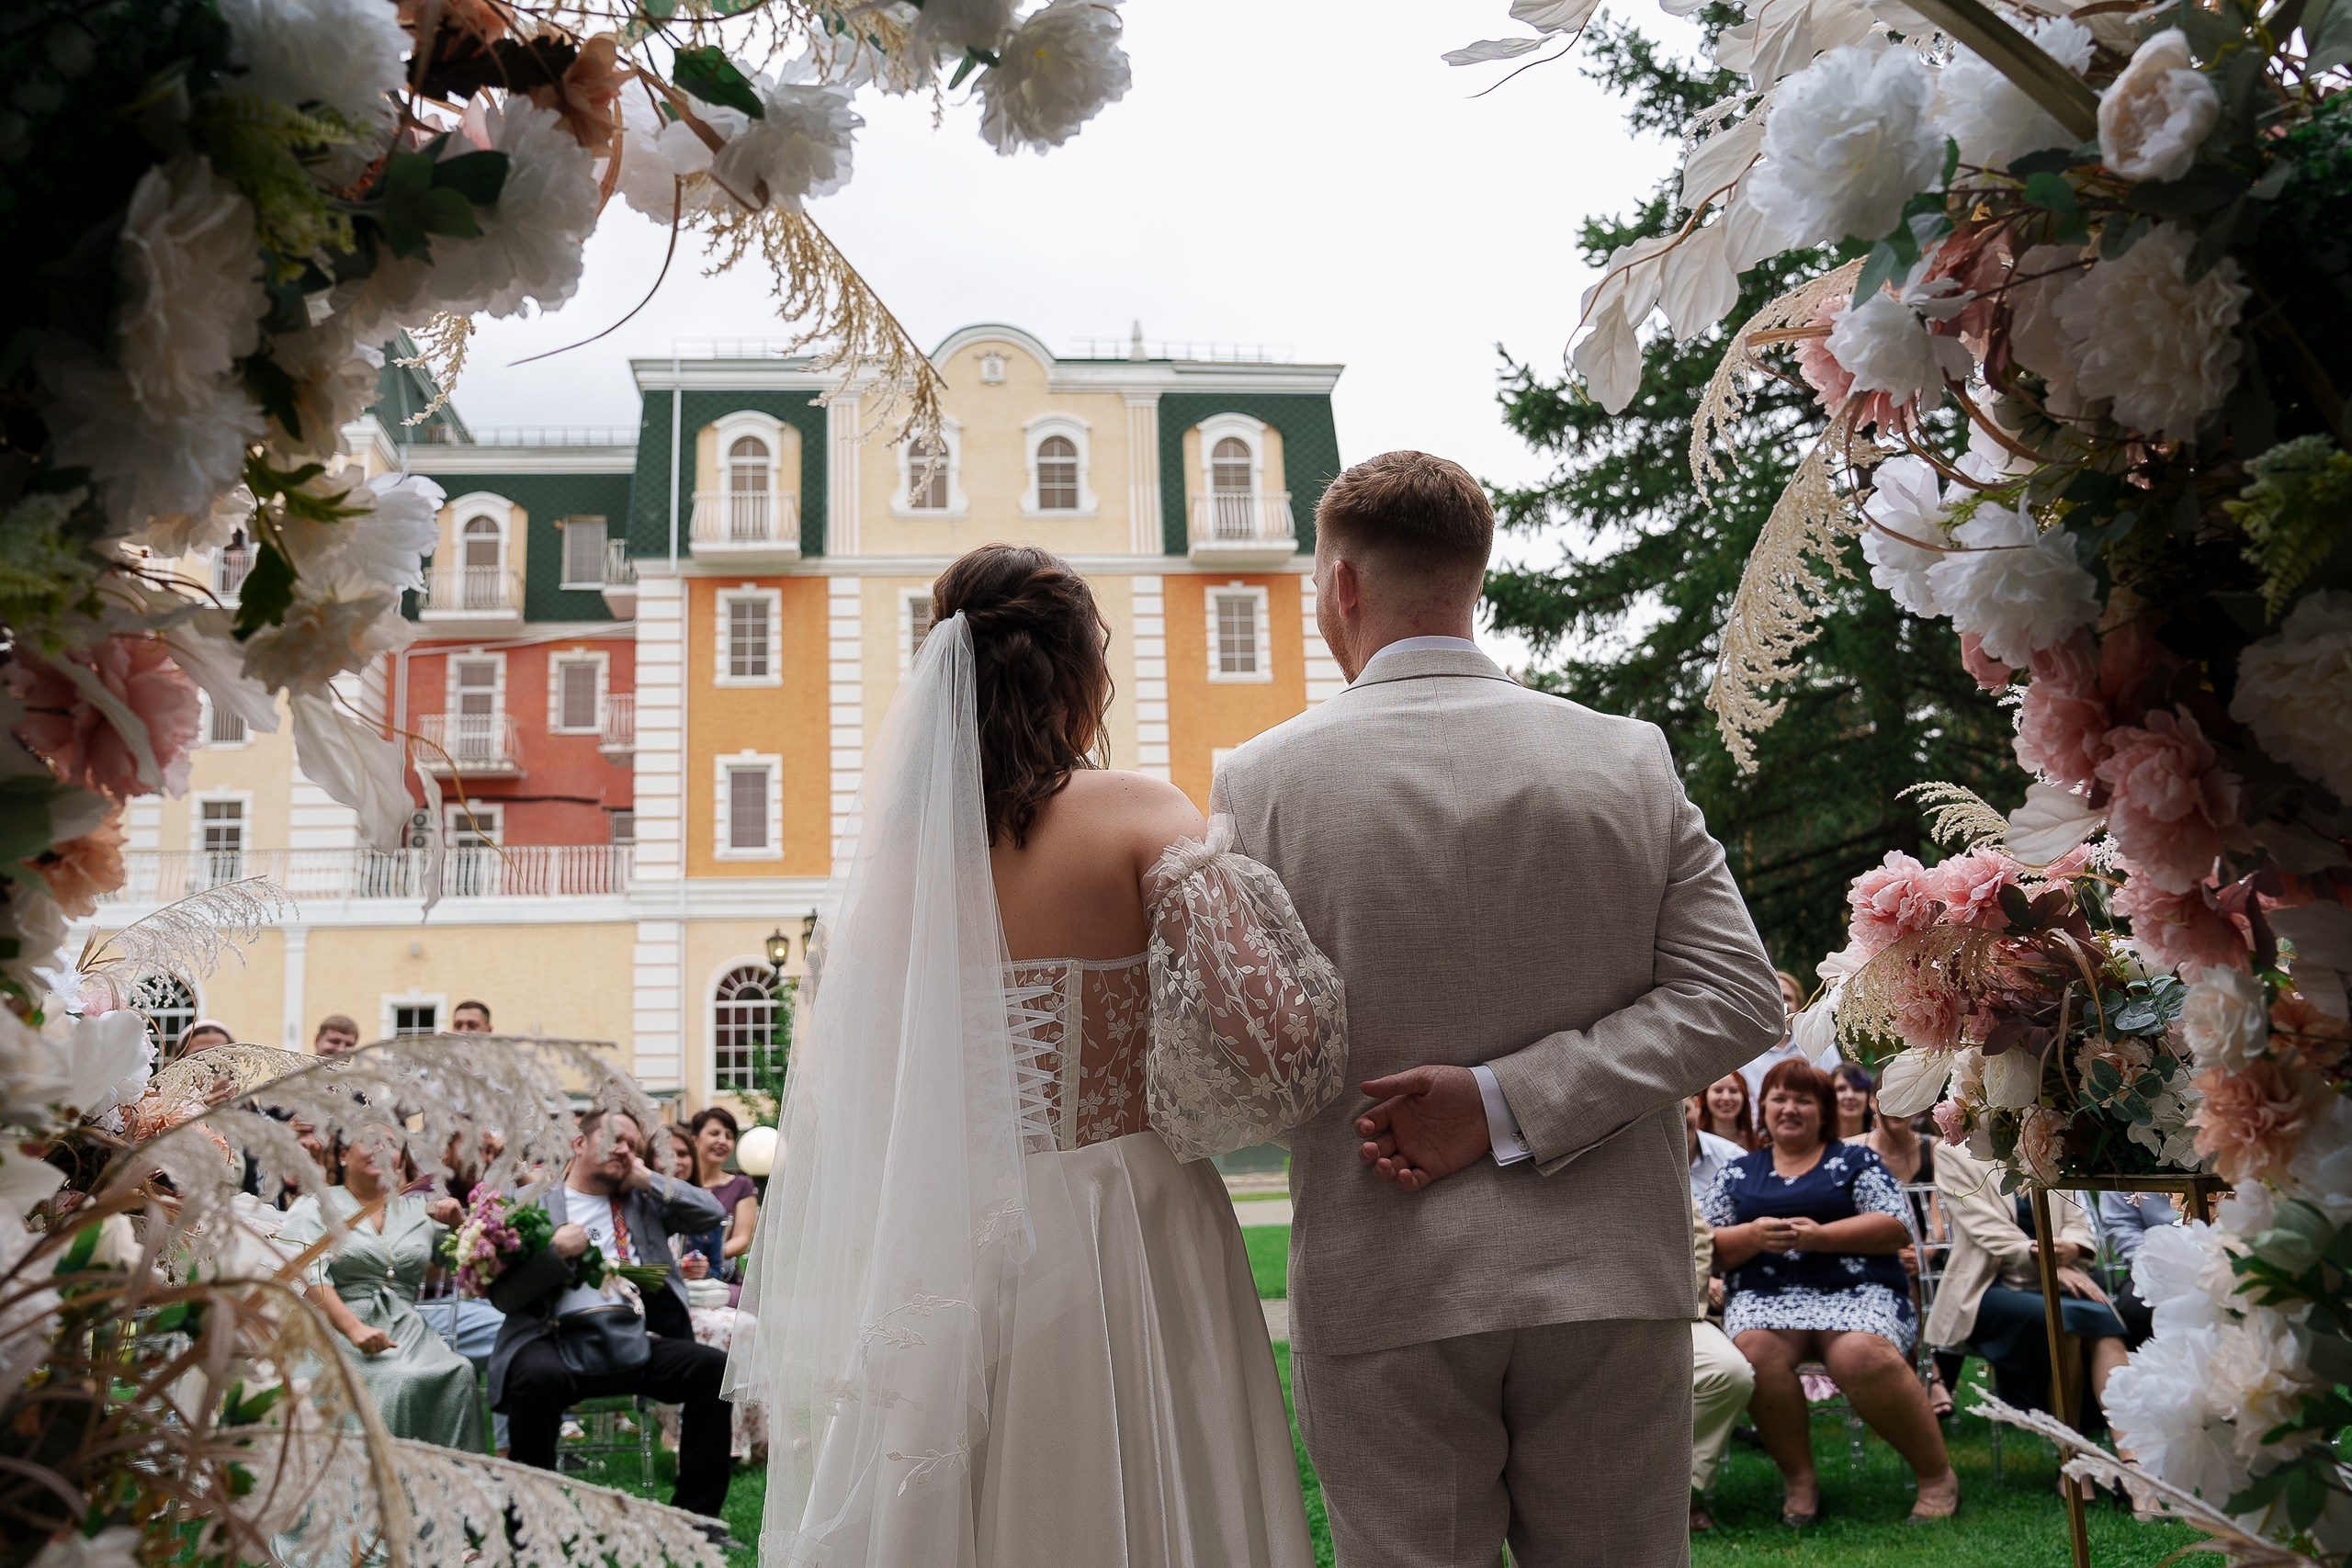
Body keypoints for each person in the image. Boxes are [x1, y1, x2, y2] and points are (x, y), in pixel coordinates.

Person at [1212, 452, 1786, 1568]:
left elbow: (1247, 1057)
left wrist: (1482, 1101)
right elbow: (1736, 998)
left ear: (1339, 584)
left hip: (1382, 1271)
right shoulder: (1624, 756)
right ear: (1474, 574)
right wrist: (1511, 1100)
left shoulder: (1260, 780)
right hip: (1607, 1271)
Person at [727, 545, 1350, 1567]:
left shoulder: (894, 872)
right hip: (1125, 1211)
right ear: (1080, 671)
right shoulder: (1135, 814)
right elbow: (1273, 1037)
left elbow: (866, 1092)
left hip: (943, 1233)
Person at [1703, 1060, 1957, 1525]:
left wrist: (1820, 1237)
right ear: (1764, 1108)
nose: (1790, 1108)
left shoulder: (1856, 1161)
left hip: (1862, 1292)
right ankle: (1800, 1480)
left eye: (1803, 1099)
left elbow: (1895, 1227)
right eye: (1780, 1098)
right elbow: (1709, 1248)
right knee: (1754, 1352)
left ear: (1822, 1110)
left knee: (1859, 1354)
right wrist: (1755, 1237)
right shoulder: (1739, 1173)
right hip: (1766, 1299)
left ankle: (1937, 1475)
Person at [486, 1108, 735, 1533]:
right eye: (614, 1138)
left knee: (712, 1370)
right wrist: (555, 1253)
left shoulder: (643, 1202)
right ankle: (531, 1529)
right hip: (555, 1337)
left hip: (636, 1337)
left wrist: (647, 1179)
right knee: (533, 1380)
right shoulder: (531, 1203)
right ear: (578, 1143)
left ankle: (697, 1520)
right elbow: (506, 1297)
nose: (625, 1149)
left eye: (632, 1144)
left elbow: (711, 1212)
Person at [278, 1131, 483, 1451]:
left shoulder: (419, 1210)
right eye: (370, 1140)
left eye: (391, 1144)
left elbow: (471, 1261)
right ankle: (380, 1489)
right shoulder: (315, 1205)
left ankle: (450, 1490)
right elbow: (307, 1275)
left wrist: (461, 1224)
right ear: (344, 1154)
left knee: (460, 1371)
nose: (382, 1150)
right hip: (335, 1331)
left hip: (409, 1332)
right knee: (396, 1380)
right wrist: (353, 1328)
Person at [1927, 1138, 2129, 1424]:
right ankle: (2071, 1454)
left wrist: (2072, 1248)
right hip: (1987, 1287)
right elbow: (1986, 1229)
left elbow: (2077, 1218)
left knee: (2104, 1323)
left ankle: (2133, 1457)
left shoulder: (2048, 1144)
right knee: (2065, 1321)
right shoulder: (1952, 1153)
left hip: (2060, 1277)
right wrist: (2047, 1260)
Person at [1690, 1198, 1753, 1535]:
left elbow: (1699, 1242)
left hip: (1671, 1314)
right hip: (1575, 1322)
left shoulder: (1651, 1167)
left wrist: (1679, 1304)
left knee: (1731, 1373)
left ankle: (1673, 1488)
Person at [682, 1107, 757, 1284]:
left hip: (721, 1281)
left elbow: (742, 1239)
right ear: (695, 1140)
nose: (722, 1141)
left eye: (729, 1136)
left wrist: (702, 1258)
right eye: (714, 1133)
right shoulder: (678, 1186)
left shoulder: (742, 1185)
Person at [1736, 972, 1837, 1101]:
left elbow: (1833, 1088)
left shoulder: (1821, 1041)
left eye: (1787, 998)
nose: (1781, 1004)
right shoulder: (1743, 1049)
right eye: (1774, 997)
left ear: (1800, 1006)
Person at [2095, 1190, 2177, 1345]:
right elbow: (2122, 1228)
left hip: (2220, 1258)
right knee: (2136, 1310)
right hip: (2151, 1267)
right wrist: (2159, 1265)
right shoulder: (2119, 1174)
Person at [1687, 1096, 1745, 1203]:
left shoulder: (1732, 1156)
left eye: (1685, 1111)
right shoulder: (1647, 1164)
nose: (1678, 1121)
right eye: (1668, 1116)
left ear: (1697, 1105)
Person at [1700, 1071, 1756, 1149]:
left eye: (1733, 1090)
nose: (1726, 1098)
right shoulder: (1695, 1143)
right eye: (1718, 1090)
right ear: (1705, 1097)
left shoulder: (1759, 1144)